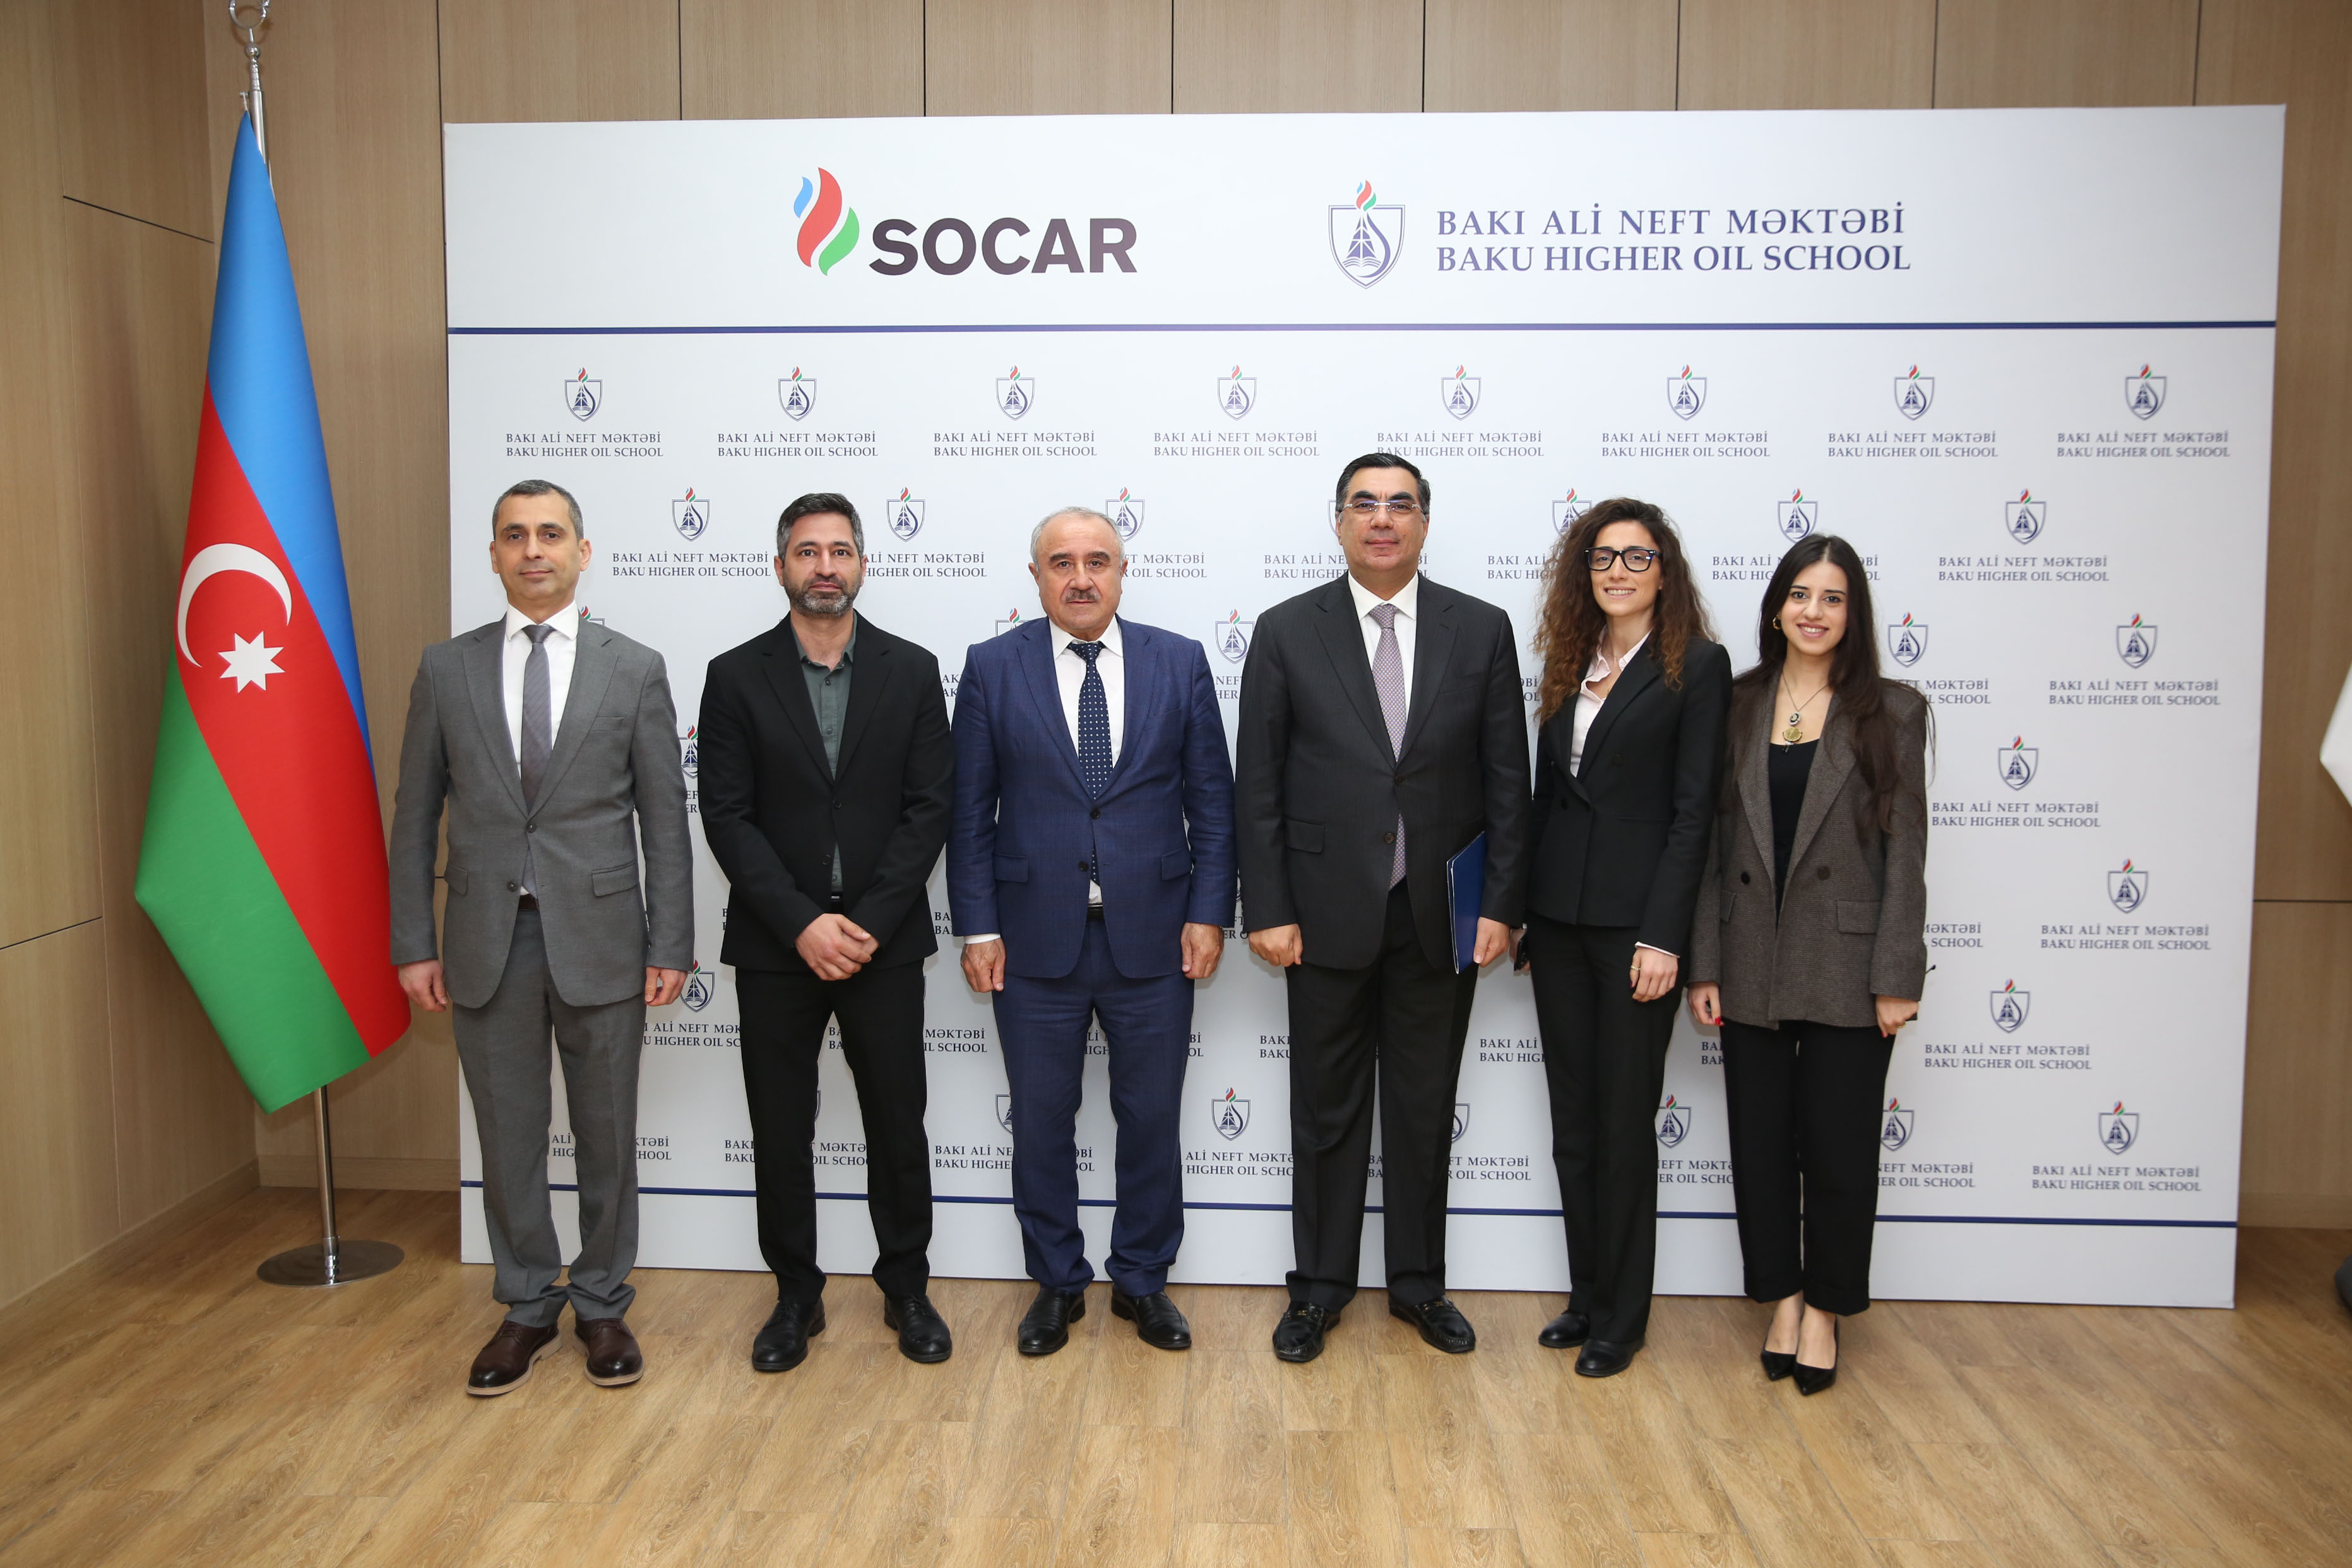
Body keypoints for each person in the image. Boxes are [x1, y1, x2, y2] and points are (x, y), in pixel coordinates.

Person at [389, 478, 692, 1396]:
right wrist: (414, 942)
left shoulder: (633, 667)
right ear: (492, 554)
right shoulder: (446, 669)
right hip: (486, 942)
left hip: (603, 940)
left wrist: (669, 944)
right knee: (508, 1134)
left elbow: (663, 821)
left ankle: (601, 1301)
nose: (533, 550)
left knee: (607, 1133)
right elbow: (414, 817)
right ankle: (525, 1303)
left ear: (581, 552)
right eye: (515, 535)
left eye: (551, 534)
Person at [1235, 453, 1529, 1364]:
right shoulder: (1287, 629)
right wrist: (1268, 906)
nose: (1382, 519)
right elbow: (1259, 785)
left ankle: (1418, 1286)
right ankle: (1318, 1291)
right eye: (1363, 504)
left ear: (1424, 524)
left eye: (1401, 504)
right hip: (1321, 915)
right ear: (1339, 523)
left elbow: (1506, 781)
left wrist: (1500, 903)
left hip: (1441, 917)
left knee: (1421, 1110)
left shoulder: (1481, 628)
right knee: (1325, 1115)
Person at [948, 508, 1235, 1357]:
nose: (1081, 578)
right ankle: (1057, 1283)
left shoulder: (1178, 661)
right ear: (1036, 576)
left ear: (1121, 571)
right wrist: (976, 927)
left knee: (1150, 1119)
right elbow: (969, 815)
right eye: (1062, 563)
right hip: (1033, 941)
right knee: (1042, 1122)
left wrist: (1208, 912)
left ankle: (1142, 1280)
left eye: (1097, 561)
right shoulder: (991, 668)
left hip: (1156, 937)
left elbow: (1212, 806)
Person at [698, 494, 956, 1373]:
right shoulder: (735, 675)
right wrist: (802, 923)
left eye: (840, 551)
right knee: (780, 1129)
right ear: (781, 567)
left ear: (862, 565)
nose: (824, 567)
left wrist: (867, 924)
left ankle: (907, 1289)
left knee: (897, 1125)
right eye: (807, 552)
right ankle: (794, 1298)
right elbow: (727, 816)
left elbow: (929, 810)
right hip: (778, 947)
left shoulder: (912, 670)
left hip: (886, 945)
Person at [1688, 532, 1928, 1397]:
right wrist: (1704, 964)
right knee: (1758, 1148)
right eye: (1800, 595)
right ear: (1776, 608)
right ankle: (1781, 1300)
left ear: (1852, 614)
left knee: (1837, 1149)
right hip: (1747, 955)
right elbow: (1710, 845)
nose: (1813, 612)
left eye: (1832, 598)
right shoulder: (1737, 702)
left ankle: (1825, 1309)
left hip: (1850, 965)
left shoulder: (1892, 711)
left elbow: (1907, 853)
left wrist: (1896, 975)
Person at [1521, 498, 1730, 1379]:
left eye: (1636, 557)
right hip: (1558, 926)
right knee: (1573, 1123)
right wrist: (1523, 911)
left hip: (1635, 934)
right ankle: (1585, 1297)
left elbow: (1693, 816)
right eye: (1602, 557)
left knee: (1622, 1126)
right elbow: (1547, 799)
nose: (1617, 571)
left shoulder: (1699, 667)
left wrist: (1664, 937)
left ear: (1663, 572)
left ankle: (1623, 1318)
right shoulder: (1570, 660)